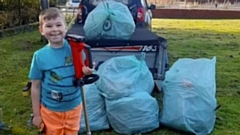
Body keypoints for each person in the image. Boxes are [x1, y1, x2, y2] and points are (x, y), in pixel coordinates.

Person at [29, 7, 94, 135]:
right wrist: (37, 114)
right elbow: (35, 87)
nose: (54, 29)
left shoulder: (75, 48)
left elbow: (85, 68)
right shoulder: (39, 56)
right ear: (41, 30)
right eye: (49, 26)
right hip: (50, 111)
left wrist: (88, 71)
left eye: (58, 25)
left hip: (74, 107)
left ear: (65, 28)